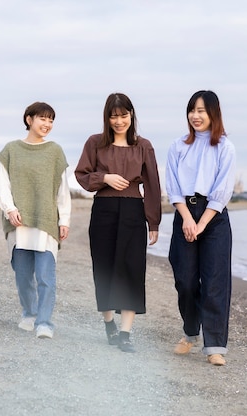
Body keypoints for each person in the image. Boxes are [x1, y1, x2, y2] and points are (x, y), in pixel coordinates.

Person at [75, 93, 161, 353]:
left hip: (134, 210)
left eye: (123, 115)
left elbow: (153, 185)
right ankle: (109, 324)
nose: (119, 121)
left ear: (131, 115)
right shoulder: (95, 143)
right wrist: (105, 178)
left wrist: (153, 222)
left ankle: (125, 333)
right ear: (107, 117)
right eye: (114, 116)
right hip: (104, 210)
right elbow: (81, 175)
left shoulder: (143, 145)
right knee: (104, 267)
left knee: (132, 269)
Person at [165, 90, 236, 366]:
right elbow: (173, 186)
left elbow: (222, 190)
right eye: (192, 110)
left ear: (214, 114)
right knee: (184, 279)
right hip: (185, 212)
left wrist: (202, 222)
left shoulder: (225, 147)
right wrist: (186, 218)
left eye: (202, 111)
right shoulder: (178, 145)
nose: (195, 116)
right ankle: (190, 332)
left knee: (215, 281)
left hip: (214, 217)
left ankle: (215, 345)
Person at [0, 102, 71, 339]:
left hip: (46, 221)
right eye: (43, 119)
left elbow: (63, 190)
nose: (47, 124)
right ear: (29, 119)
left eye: (51, 120)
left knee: (46, 276)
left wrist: (64, 220)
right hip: (18, 223)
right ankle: (29, 313)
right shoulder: (11, 150)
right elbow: (3, 184)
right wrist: (9, 209)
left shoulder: (55, 151)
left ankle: (44, 322)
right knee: (22, 275)